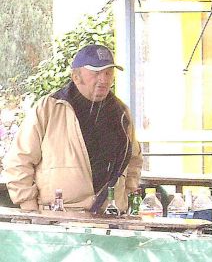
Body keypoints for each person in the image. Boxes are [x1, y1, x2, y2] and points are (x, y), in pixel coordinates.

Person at [2, 44, 143, 213]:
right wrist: (28, 206)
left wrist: (124, 197)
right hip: (60, 216)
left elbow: (134, 160)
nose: (104, 79)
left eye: (108, 72)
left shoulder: (121, 113)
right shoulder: (48, 108)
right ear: (76, 76)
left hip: (109, 217)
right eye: (96, 72)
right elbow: (18, 160)